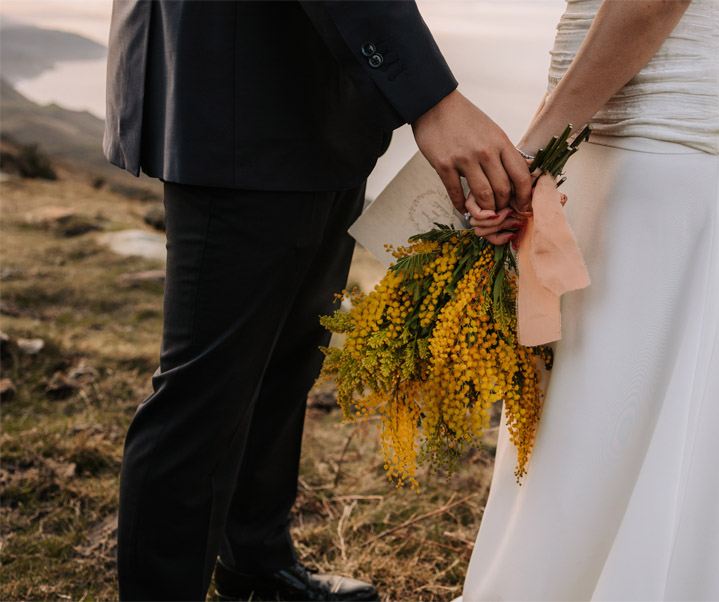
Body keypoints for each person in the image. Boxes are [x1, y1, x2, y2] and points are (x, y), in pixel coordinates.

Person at [102, 1, 532, 600]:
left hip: (318, 100)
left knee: (289, 356)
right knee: (205, 390)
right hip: (240, 92)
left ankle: (254, 563)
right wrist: (434, 101)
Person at [463, 0, 719, 599]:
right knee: (579, 400)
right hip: (604, 134)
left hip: (670, 139)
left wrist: (535, 149)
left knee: (618, 399)